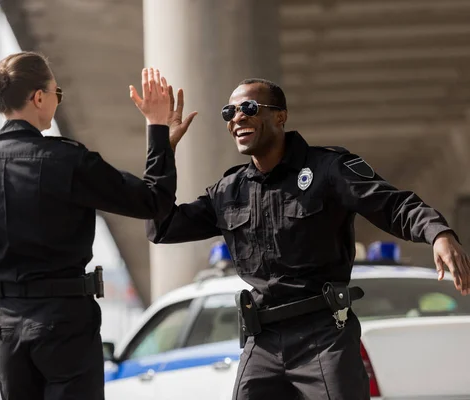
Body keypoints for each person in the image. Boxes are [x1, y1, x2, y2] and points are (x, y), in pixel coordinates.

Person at [146, 78, 470, 399]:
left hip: (324, 335)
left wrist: (437, 232)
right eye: (229, 112)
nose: (237, 118)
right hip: (262, 341)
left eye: (249, 108)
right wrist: (164, 147)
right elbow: (163, 227)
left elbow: (391, 203)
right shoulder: (229, 190)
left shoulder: (329, 169)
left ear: (280, 117)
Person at [0, 51, 191, 400]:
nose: (57, 100)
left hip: (5, 327)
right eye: (56, 93)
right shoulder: (68, 161)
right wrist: (159, 133)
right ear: (38, 97)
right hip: (66, 322)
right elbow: (152, 201)